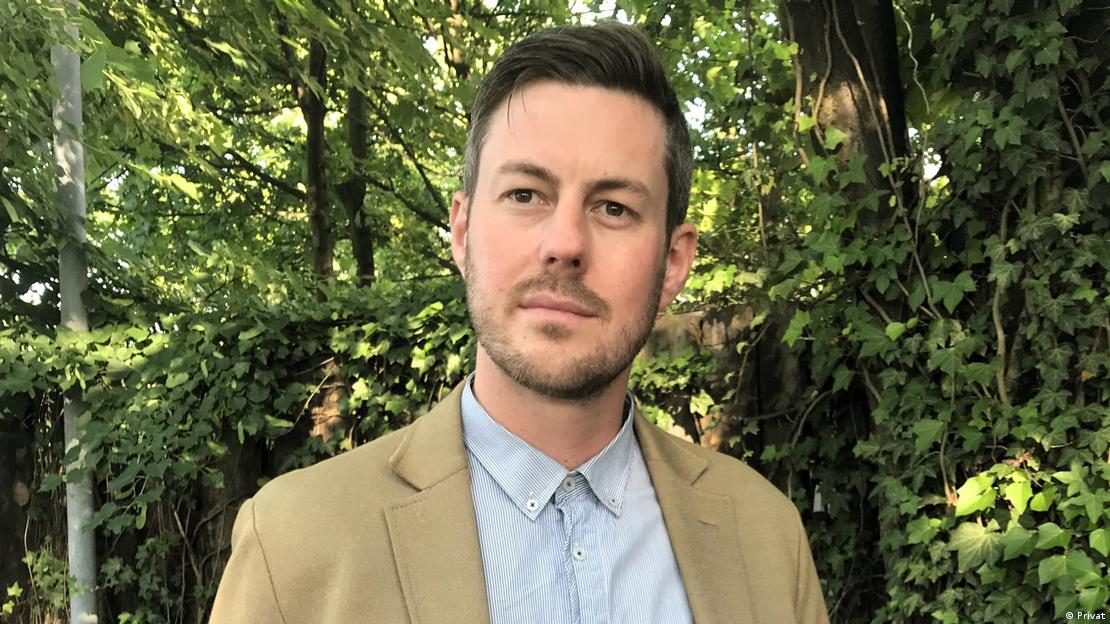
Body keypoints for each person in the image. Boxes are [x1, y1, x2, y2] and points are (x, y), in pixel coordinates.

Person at [210, 22, 829, 624]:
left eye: (614, 207)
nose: (565, 244)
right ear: (462, 231)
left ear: (672, 263)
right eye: (526, 195)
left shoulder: (767, 536)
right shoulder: (292, 542)